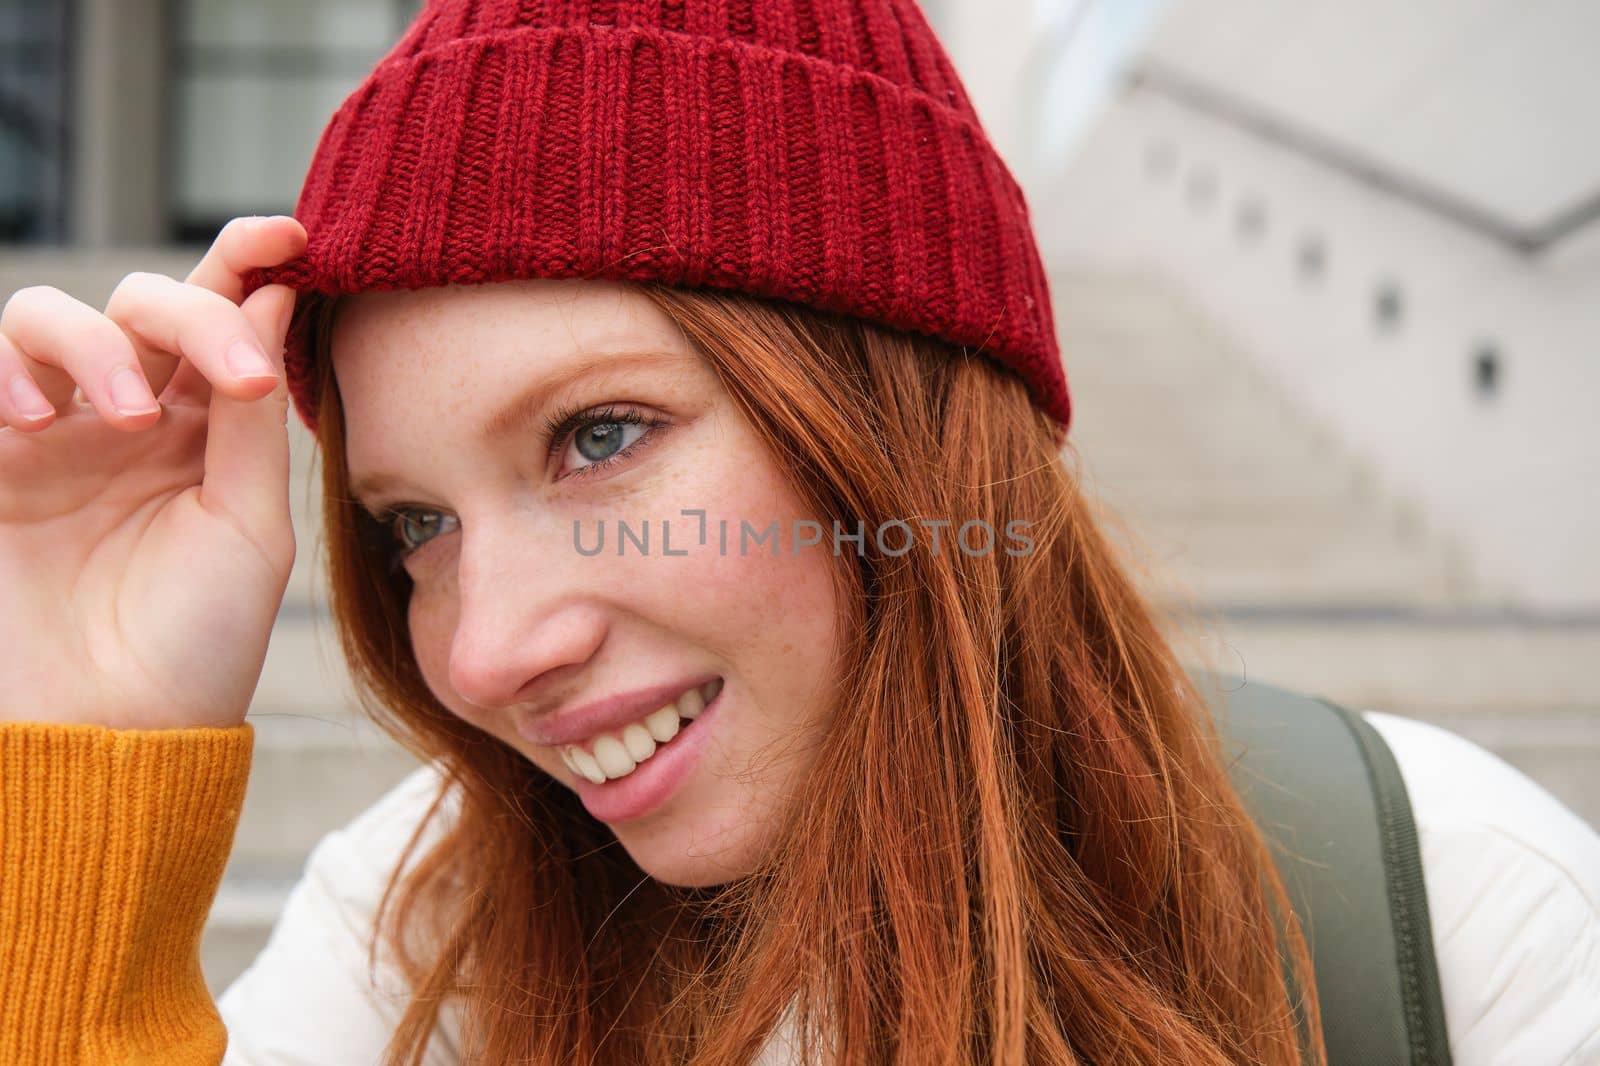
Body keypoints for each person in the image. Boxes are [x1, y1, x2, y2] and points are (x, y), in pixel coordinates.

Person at [0, 1, 1596, 1063]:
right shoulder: (419, 942)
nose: (483, 649)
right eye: (412, 522)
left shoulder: (1452, 918)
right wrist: (86, 747)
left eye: (599, 437)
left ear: (900, 415)